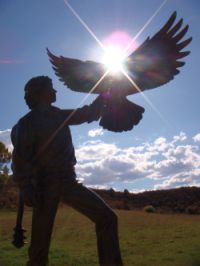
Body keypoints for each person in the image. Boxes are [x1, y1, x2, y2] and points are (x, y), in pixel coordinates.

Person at [11, 76, 123, 266]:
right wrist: (26, 187)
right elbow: (20, 159)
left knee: (107, 218)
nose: (56, 92)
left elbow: (90, 113)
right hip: (44, 187)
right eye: (51, 88)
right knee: (39, 248)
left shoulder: (58, 116)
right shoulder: (27, 123)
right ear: (41, 93)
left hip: (67, 181)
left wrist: (105, 90)